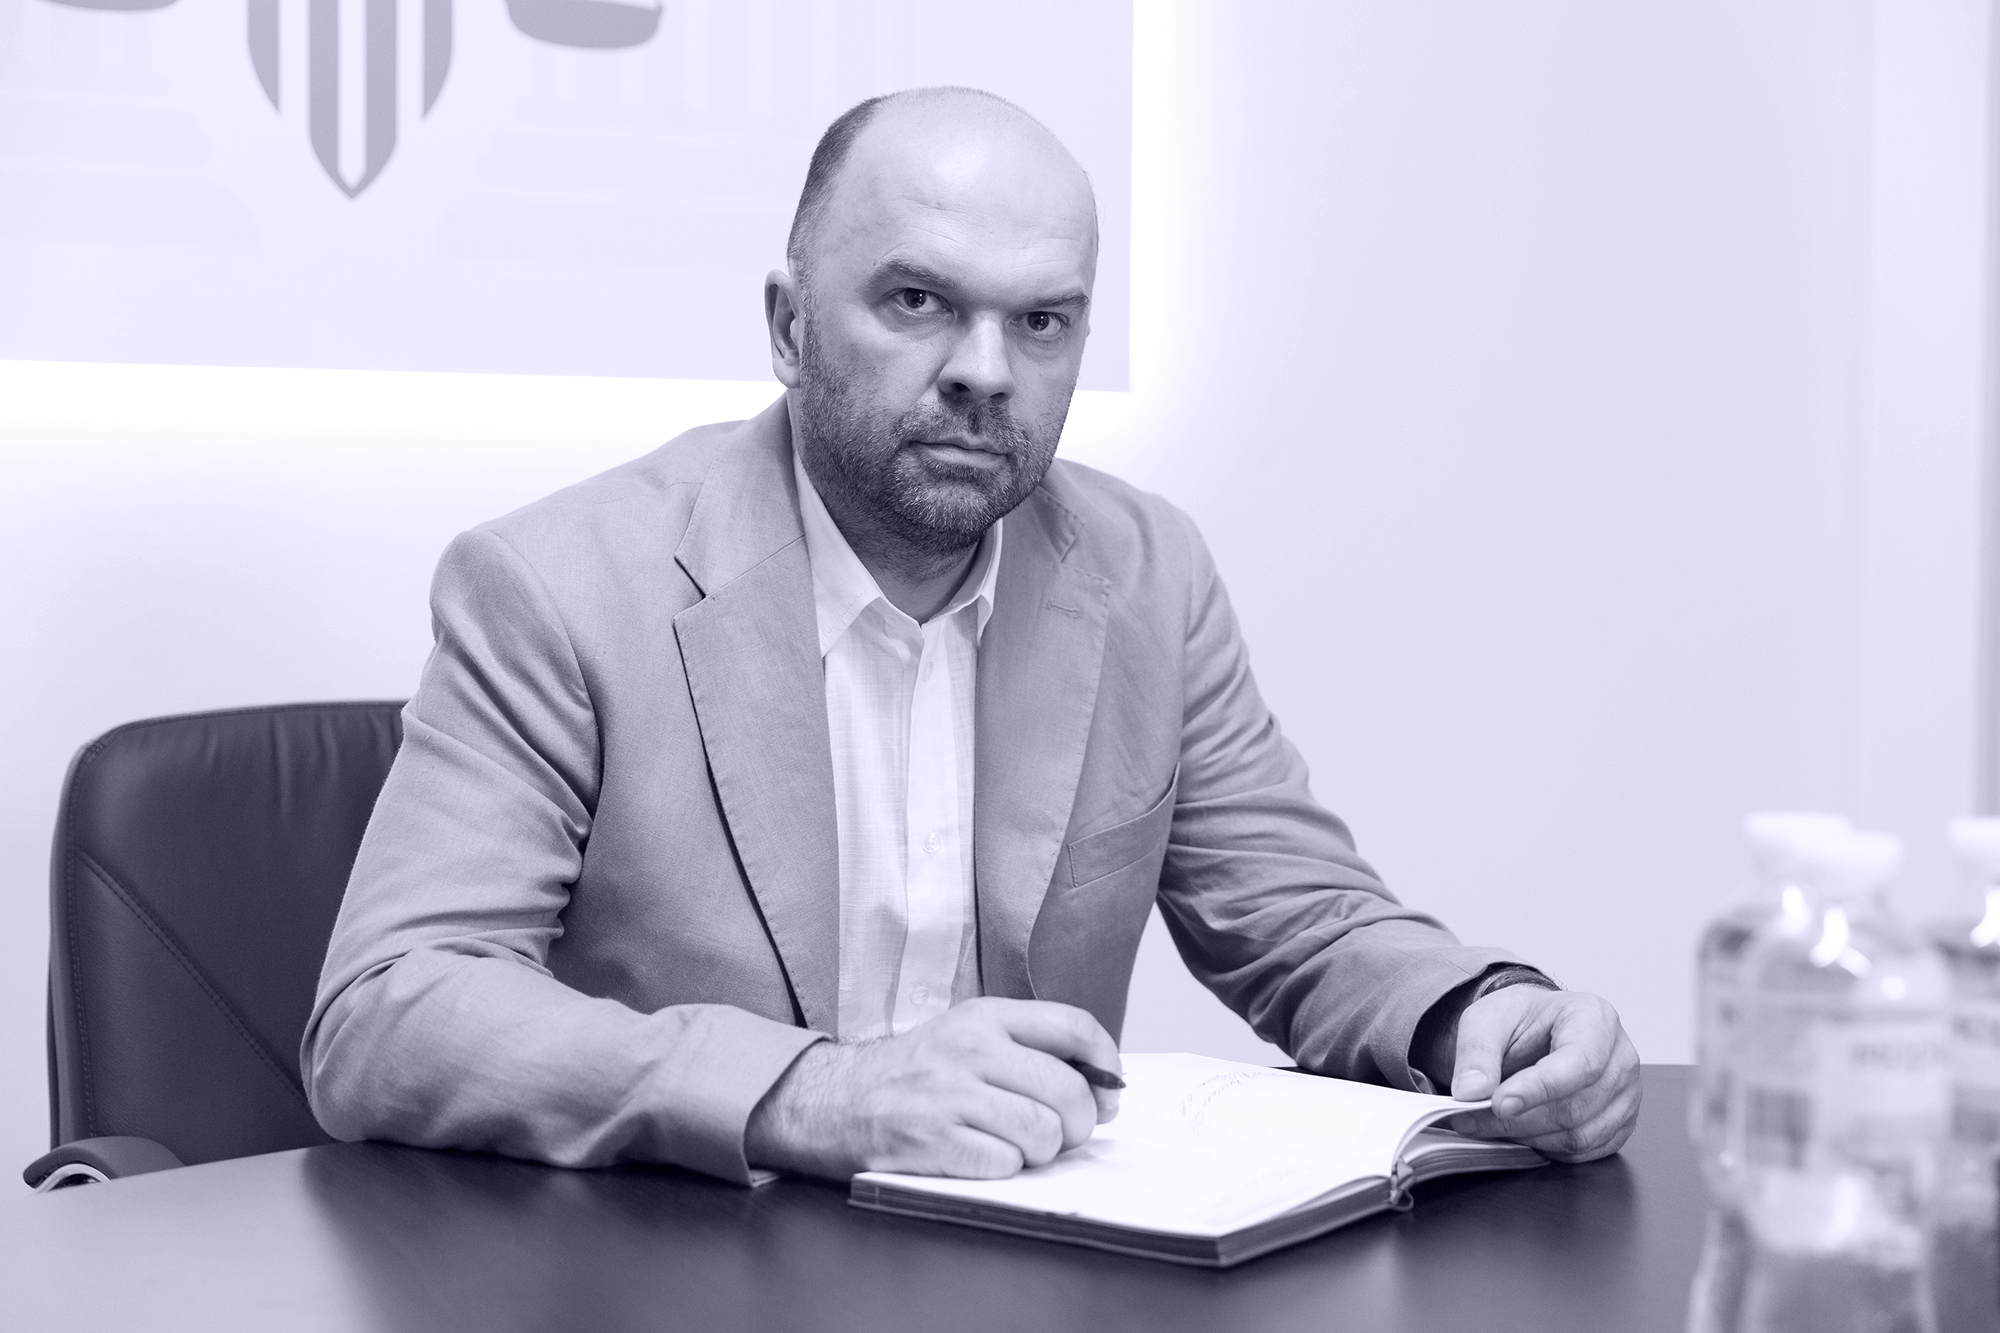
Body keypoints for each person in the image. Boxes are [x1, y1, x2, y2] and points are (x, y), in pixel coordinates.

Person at [303, 87, 1640, 1185]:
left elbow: (1296, 918)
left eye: (1040, 322)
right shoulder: (557, 584)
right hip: (675, 1266)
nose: (986, 373)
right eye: (917, 302)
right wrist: (814, 1096)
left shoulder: (1147, 573)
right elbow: (390, 1009)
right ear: (788, 326)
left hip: (1030, 1265)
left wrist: (1482, 1016)